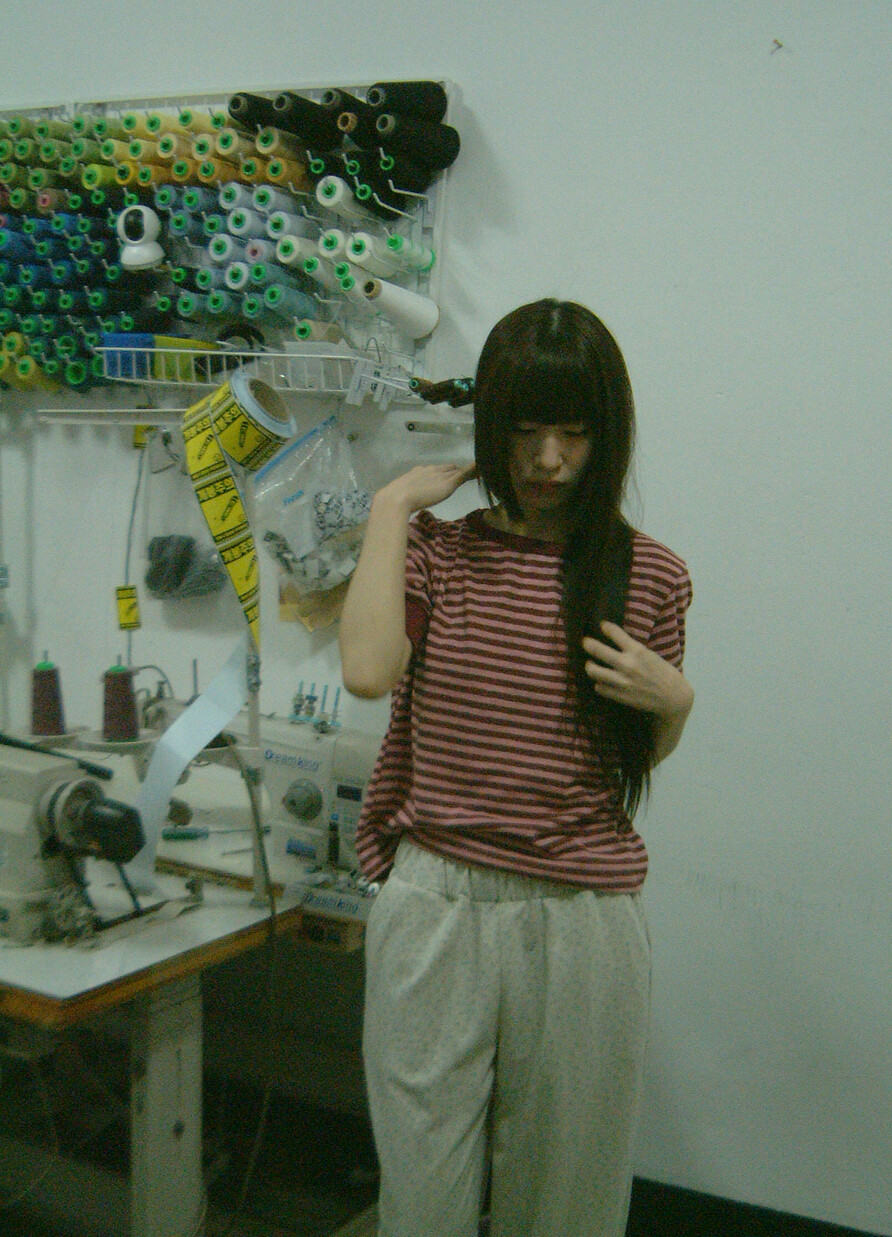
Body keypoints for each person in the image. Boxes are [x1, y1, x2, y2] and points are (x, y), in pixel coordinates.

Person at [339, 299, 694, 1237]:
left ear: (607, 434)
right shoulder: (439, 553)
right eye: (525, 430)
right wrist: (390, 507)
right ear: (490, 425)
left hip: (580, 916)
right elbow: (368, 669)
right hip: (435, 902)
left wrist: (676, 704)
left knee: (569, 1203)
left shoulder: (651, 576)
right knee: (422, 1200)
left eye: (574, 433)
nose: (547, 459)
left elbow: (623, 766)